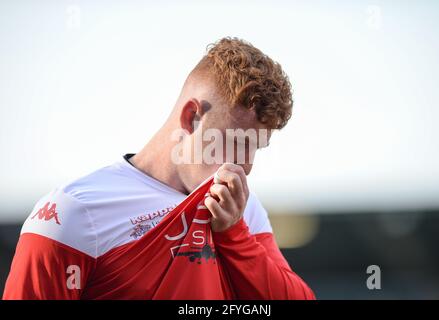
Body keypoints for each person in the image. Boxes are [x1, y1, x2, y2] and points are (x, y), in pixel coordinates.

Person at [3, 37, 315, 300]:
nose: (245, 167)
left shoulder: (242, 211)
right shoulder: (71, 213)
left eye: (255, 148)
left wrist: (234, 236)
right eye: (236, 143)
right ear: (192, 117)